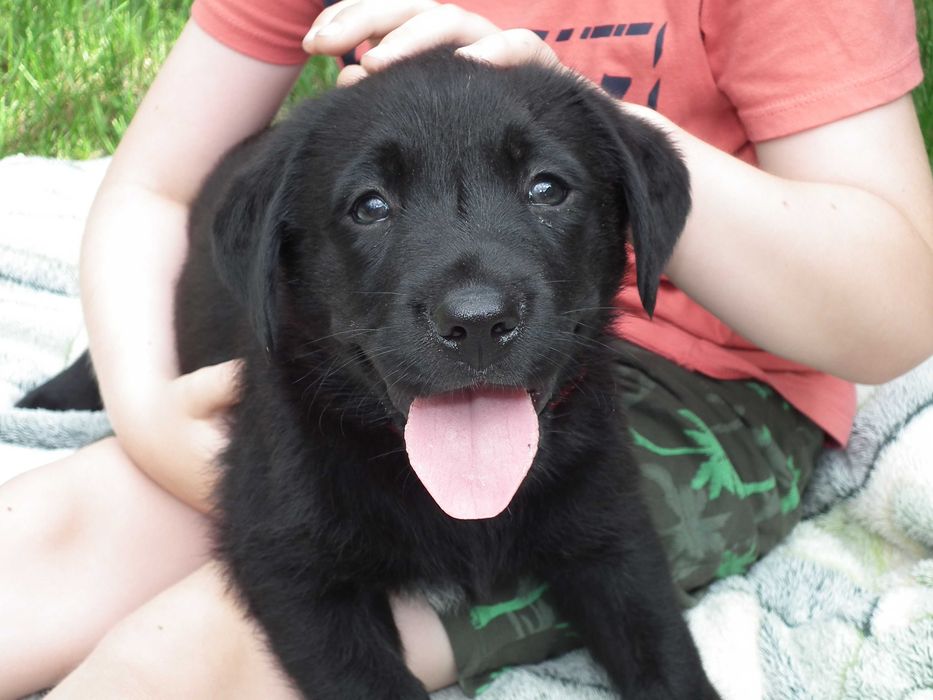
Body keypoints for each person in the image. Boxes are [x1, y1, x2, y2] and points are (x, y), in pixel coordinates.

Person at [2, 0, 932, 697]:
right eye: (372, 204)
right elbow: (161, 189)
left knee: (188, 658)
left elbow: (898, 305)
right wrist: (140, 405)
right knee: (46, 538)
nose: (476, 304)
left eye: (543, 185)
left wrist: (593, 125)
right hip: (350, 370)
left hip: (700, 378)